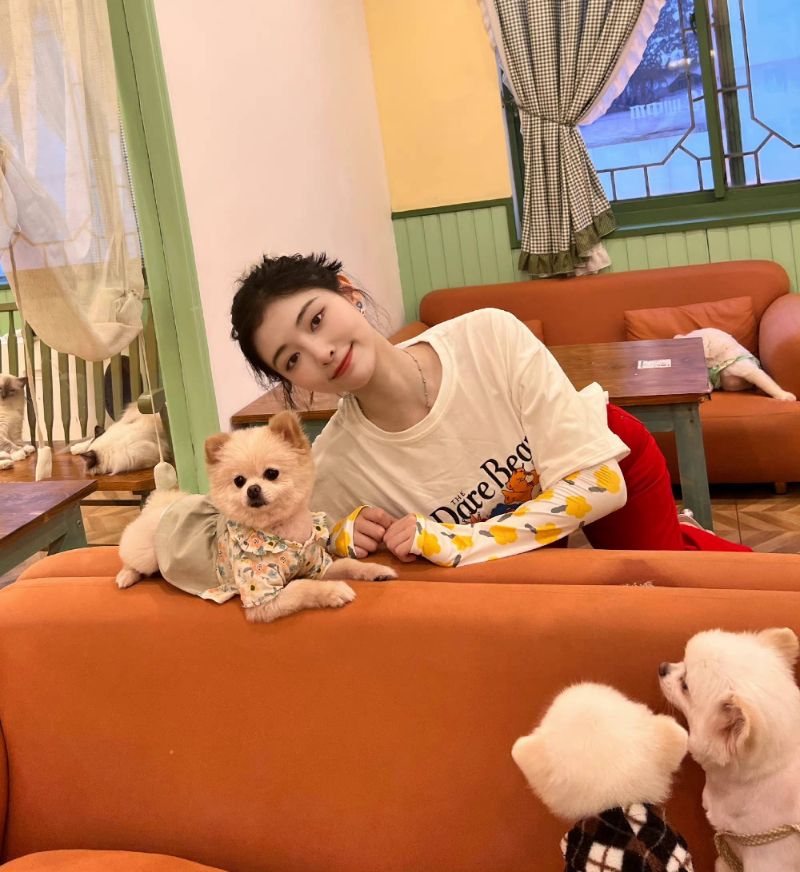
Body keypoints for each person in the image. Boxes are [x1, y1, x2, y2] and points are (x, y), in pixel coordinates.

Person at [230, 252, 750, 567]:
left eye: (316, 319)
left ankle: (705, 550)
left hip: (604, 459)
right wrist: (340, 537)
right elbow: (288, 550)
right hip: (531, 523)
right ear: (290, 380)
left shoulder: (488, 333)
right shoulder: (336, 465)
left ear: (348, 293)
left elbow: (600, 486)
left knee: (661, 583)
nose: (320, 352)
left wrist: (459, 540)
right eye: (292, 358)